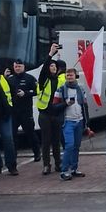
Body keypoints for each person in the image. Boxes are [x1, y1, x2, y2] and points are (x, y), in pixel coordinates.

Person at [53, 68, 91, 181]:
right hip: (67, 121)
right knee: (69, 146)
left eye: (71, 75)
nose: (69, 77)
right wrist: (65, 103)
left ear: (76, 76)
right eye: (67, 76)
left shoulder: (81, 89)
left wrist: (87, 123)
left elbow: (85, 106)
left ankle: (74, 169)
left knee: (76, 147)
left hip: (79, 121)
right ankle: (64, 170)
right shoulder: (60, 90)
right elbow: (54, 107)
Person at [36, 44, 65, 175]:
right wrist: (50, 54)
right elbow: (43, 70)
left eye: (54, 66)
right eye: (50, 66)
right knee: (46, 141)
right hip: (45, 114)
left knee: (56, 141)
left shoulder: (60, 80)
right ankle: (46, 165)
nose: (52, 67)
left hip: (57, 114)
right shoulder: (44, 80)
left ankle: (58, 163)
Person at [8, 59, 40, 163]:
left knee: (30, 133)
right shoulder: (10, 79)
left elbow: (37, 91)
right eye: (16, 67)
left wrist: (25, 93)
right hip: (14, 112)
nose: (17, 68)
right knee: (12, 135)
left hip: (26, 111)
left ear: (23, 67)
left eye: (19, 66)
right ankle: (14, 156)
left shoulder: (30, 78)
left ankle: (37, 153)